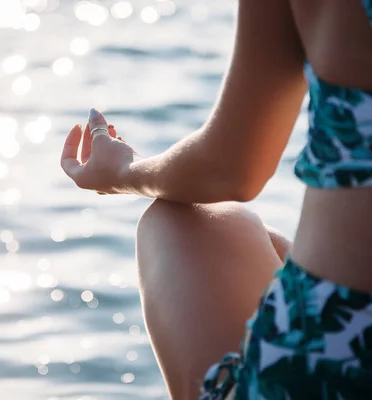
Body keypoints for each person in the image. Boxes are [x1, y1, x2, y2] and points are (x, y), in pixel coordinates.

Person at [60, 0, 372, 398]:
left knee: (184, 224)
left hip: (335, 355)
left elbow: (232, 170)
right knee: (262, 241)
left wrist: (123, 173)